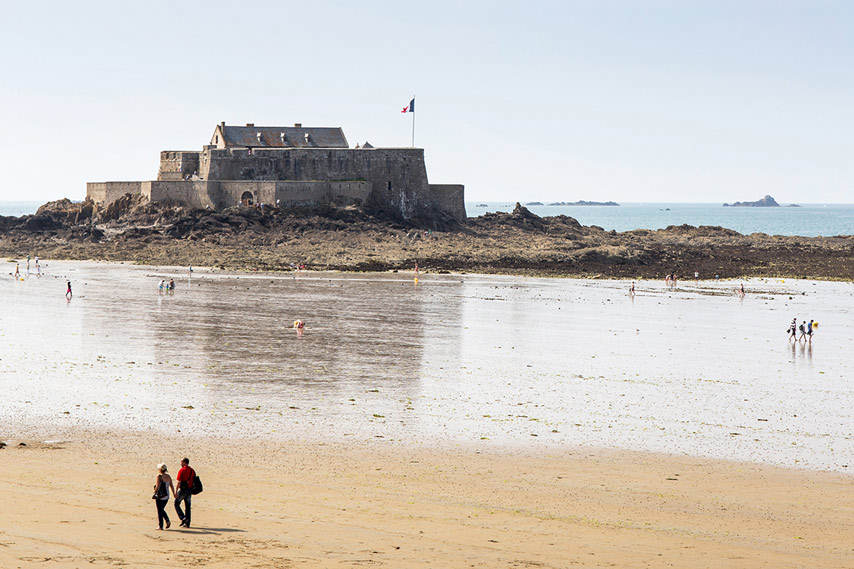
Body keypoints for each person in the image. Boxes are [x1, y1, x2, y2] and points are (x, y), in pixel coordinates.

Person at [174, 457, 196, 527]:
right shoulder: (192, 470)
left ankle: (183, 518)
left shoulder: (182, 470)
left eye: (181, 462)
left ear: (184, 462)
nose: (180, 463)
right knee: (188, 507)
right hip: (189, 490)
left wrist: (176, 491)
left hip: (183, 490)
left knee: (176, 503)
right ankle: (187, 523)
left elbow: (179, 482)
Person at [153, 463, 176, 530]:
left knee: (159, 510)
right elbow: (171, 485)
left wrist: (154, 492)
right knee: (161, 509)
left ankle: (161, 525)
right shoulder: (168, 476)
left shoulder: (159, 476)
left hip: (160, 496)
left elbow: (157, 486)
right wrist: (174, 493)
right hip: (166, 496)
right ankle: (167, 521)